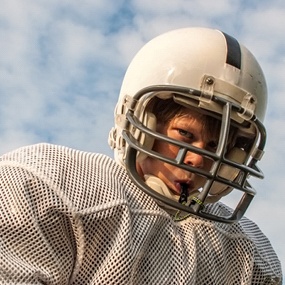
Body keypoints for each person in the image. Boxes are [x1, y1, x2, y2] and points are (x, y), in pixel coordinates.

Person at [0, 27, 282, 284]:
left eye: (215, 148)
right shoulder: (54, 188)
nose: (198, 160)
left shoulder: (246, 252)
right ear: (142, 124)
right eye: (185, 134)